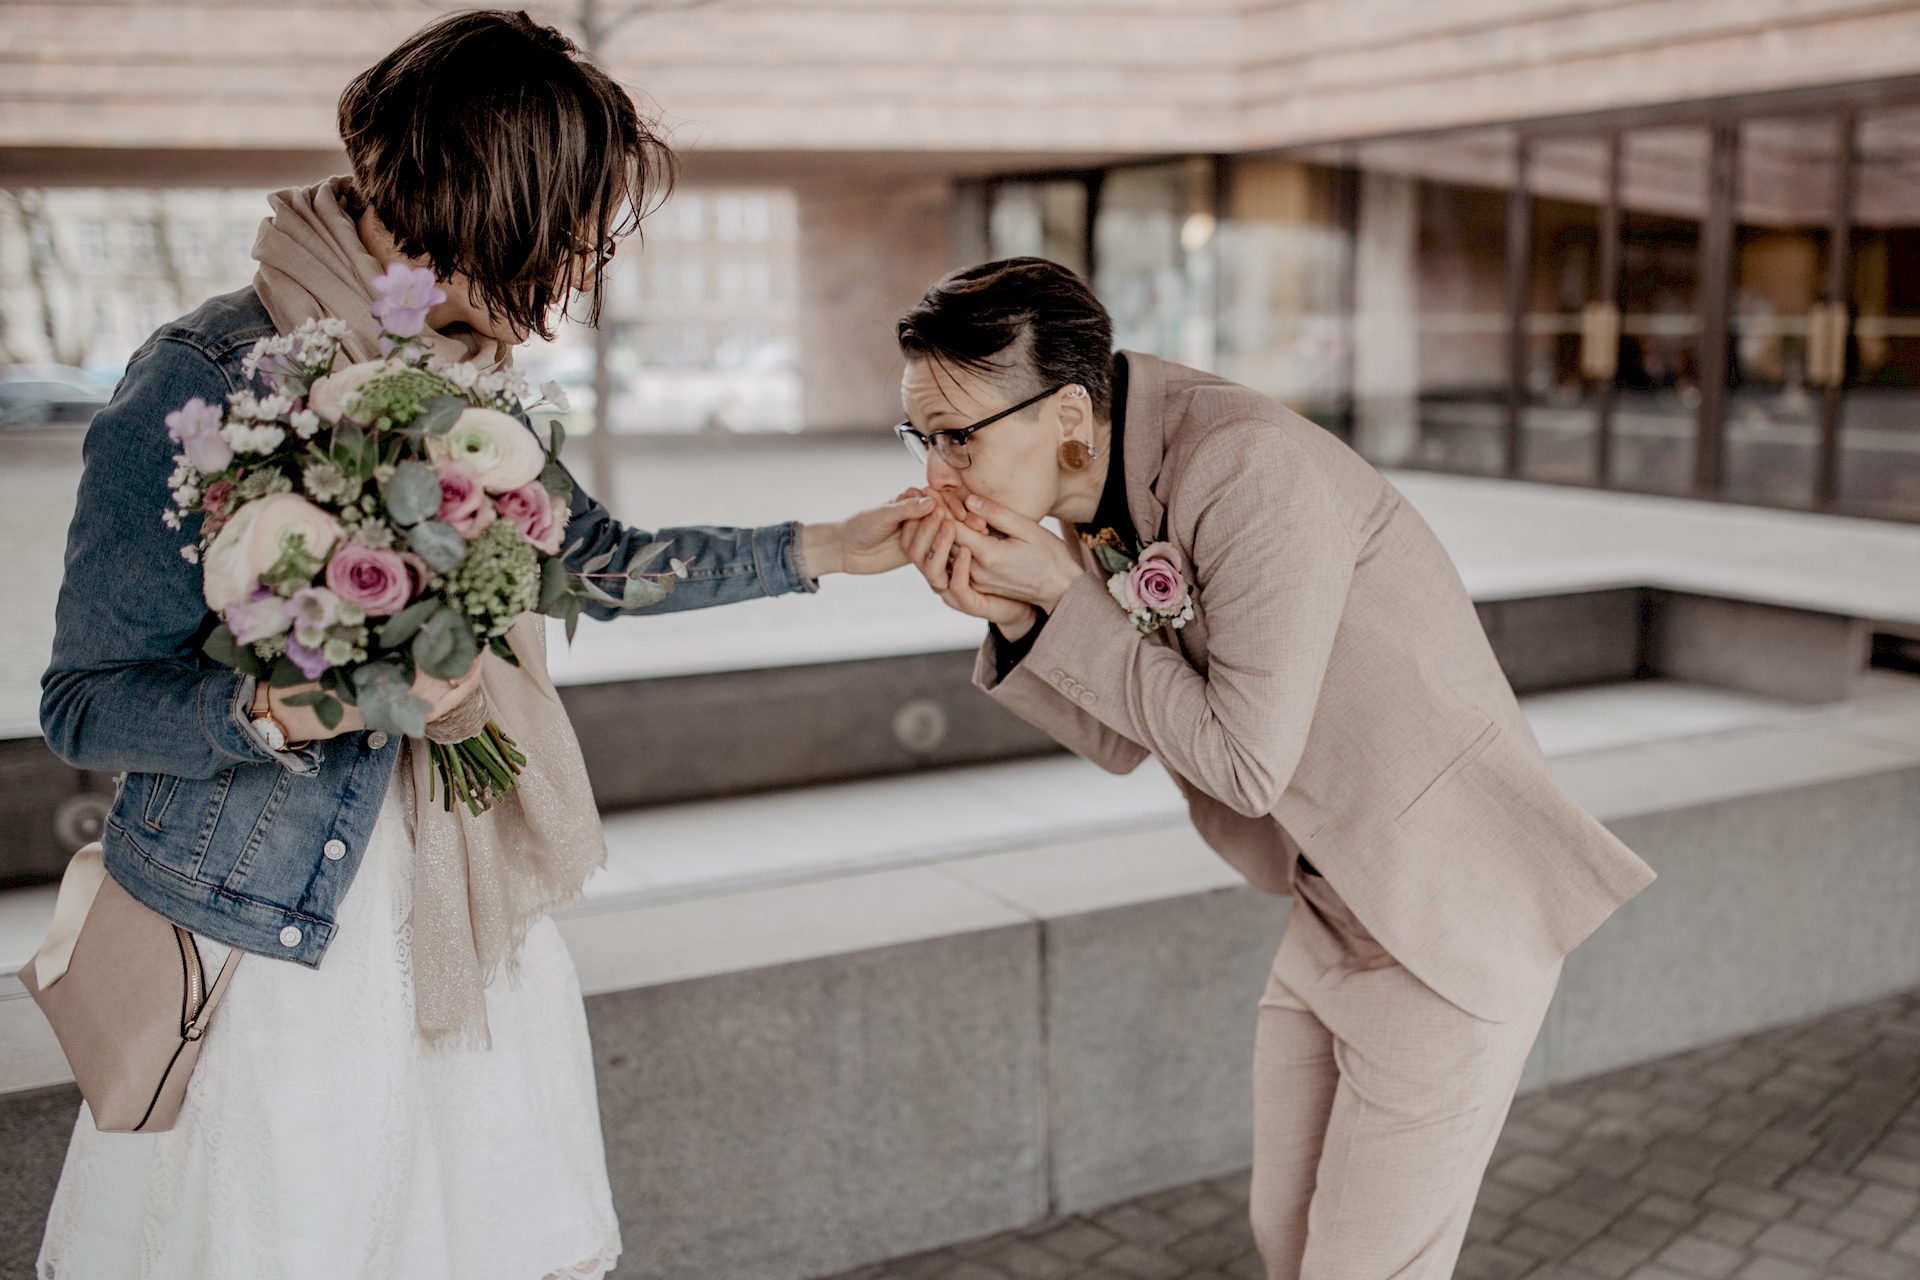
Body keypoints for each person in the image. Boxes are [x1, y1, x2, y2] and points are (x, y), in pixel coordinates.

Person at [34, 12, 931, 1280]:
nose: (581, 258)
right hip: (269, 941)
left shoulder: (465, 377)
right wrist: (298, 706)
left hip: (466, 917)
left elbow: (595, 559)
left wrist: (826, 546)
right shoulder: (204, 378)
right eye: (573, 217)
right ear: (487, 194)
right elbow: (84, 702)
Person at [893, 257, 1656, 1280]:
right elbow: (1126, 736)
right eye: (920, 436)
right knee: (1285, 1239)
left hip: (1442, 917)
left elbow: (1244, 764)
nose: (938, 470)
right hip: (1326, 904)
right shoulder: (1095, 499)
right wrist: (1022, 613)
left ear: (1067, 409)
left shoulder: (1245, 465)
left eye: (958, 434)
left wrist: (1068, 604)